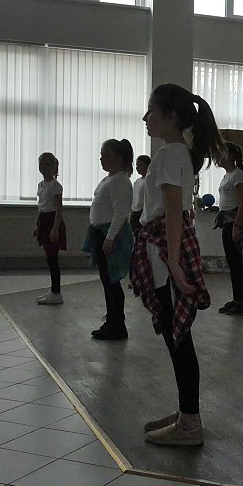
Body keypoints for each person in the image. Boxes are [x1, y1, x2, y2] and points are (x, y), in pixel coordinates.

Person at [130, 83, 226, 446]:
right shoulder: (177, 152)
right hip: (166, 244)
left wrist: (172, 262)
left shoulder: (169, 154)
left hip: (164, 247)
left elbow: (172, 210)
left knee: (179, 338)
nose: (146, 117)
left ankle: (190, 424)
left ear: (171, 116)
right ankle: (187, 413)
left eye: (151, 111)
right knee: (177, 337)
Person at [83, 139, 135, 341]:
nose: (101, 159)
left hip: (110, 235)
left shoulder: (121, 180)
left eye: (106, 156)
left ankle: (117, 325)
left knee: (112, 281)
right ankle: (112, 320)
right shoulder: (110, 179)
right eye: (101, 155)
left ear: (119, 158)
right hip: (101, 233)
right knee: (107, 281)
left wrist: (110, 237)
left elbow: (121, 212)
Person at [214, 141, 243, 316]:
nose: (218, 157)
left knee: (240, 263)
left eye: (222, 153)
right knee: (233, 263)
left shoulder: (238, 175)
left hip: (236, 222)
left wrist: (237, 226)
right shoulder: (228, 175)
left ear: (231, 156)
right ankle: (237, 300)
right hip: (228, 222)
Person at [33, 152, 66, 305]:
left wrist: (55, 228)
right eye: (40, 164)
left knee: (53, 259)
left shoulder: (55, 186)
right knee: (49, 258)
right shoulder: (41, 185)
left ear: (54, 166)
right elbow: (42, 207)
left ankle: (56, 292)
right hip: (44, 220)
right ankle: (54, 290)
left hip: (52, 221)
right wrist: (37, 225)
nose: (43, 167)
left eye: (46, 164)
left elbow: (58, 209)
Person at [130, 155, 151, 240]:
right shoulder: (137, 181)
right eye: (136, 165)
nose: (137, 168)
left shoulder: (149, 181)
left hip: (143, 212)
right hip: (134, 212)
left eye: (140, 165)